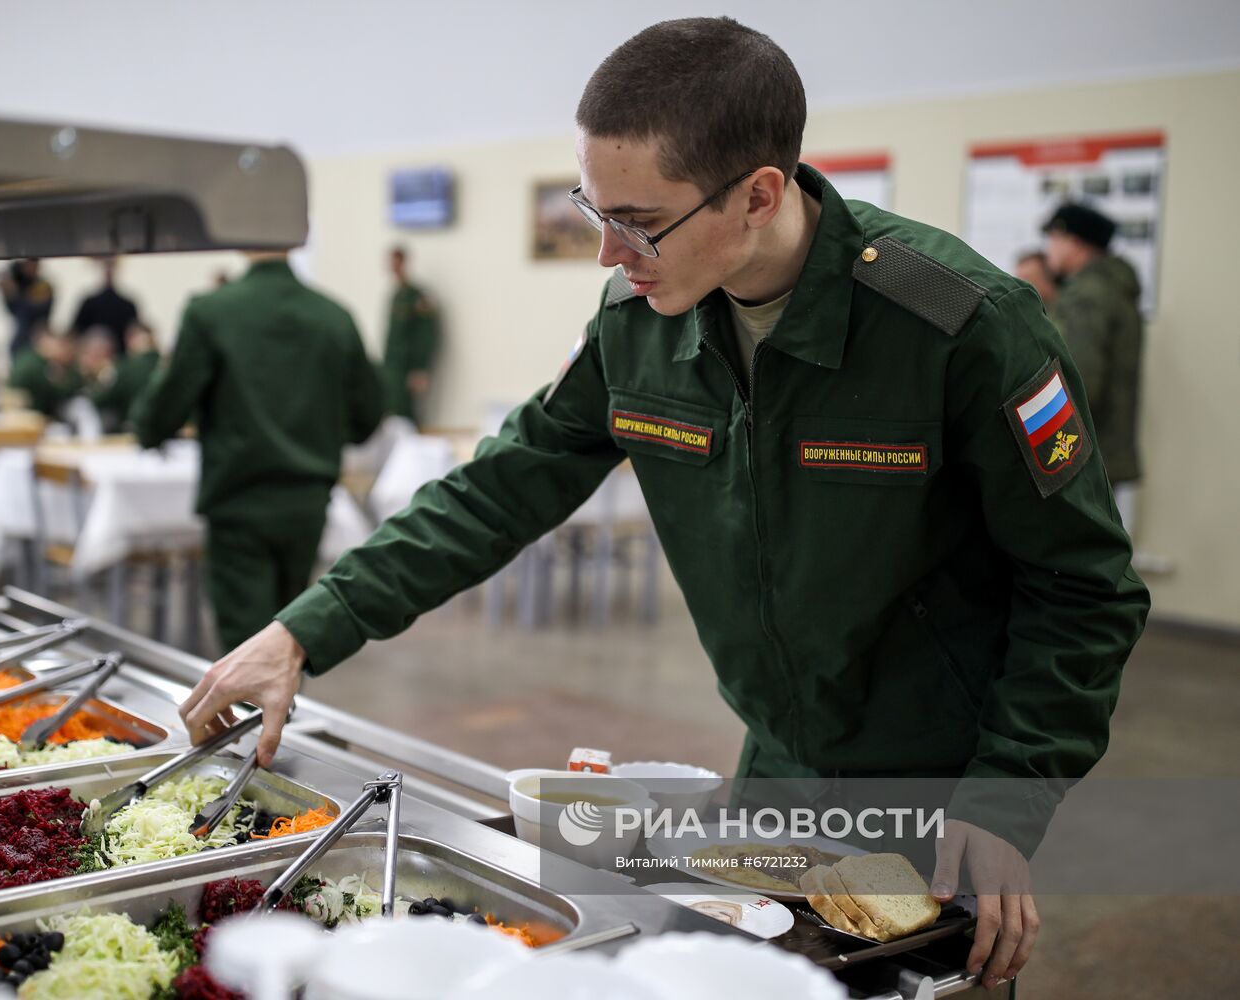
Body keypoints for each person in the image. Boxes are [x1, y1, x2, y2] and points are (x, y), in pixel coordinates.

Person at [181, 19, 1148, 989]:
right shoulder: (639, 324)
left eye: (638, 220)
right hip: (774, 772)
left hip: (941, 791)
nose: (607, 252)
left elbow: (1081, 587)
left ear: (758, 193)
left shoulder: (953, 327)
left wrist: (1006, 796)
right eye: (589, 209)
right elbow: (499, 486)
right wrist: (308, 628)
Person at [131, 251, 385, 654]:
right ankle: (278, 716)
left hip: (239, 501)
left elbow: (163, 411)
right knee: (289, 640)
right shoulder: (333, 316)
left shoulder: (211, 312)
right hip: (307, 502)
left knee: (247, 647)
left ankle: (255, 718)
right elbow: (369, 414)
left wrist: (151, 429)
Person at [1043, 203, 1145, 532]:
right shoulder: (1115, 290)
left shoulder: (1087, 295)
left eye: (1054, 238)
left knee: (1069, 552)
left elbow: (1077, 380)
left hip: (1077, 457)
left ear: (1075, 243)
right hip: (1101, 452)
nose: (1050, 249)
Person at [380, 246, 440, 426]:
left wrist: (420, 369)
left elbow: (427, 334)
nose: (393, 267)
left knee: (406, 416)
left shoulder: (417, 296)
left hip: (408, 368)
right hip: (392, 367)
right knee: (392, 413)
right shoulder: (397, 294)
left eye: (396, 262)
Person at [7, 323, 81, 418]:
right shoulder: (35, 363)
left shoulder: (32, 357)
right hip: (25, 415)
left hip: (27, 414)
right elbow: (56, 393)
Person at [73, 256, 140, 355]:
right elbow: (77, 332)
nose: (108, 271)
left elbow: (134, 334)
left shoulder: (127, 305)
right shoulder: (89, 303)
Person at [0, 259, 54, 357]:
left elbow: (33, 310)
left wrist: (14, 294)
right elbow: (12, 311)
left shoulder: (43, 287)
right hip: (21, 341)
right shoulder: (20, 285)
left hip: (39, 340)